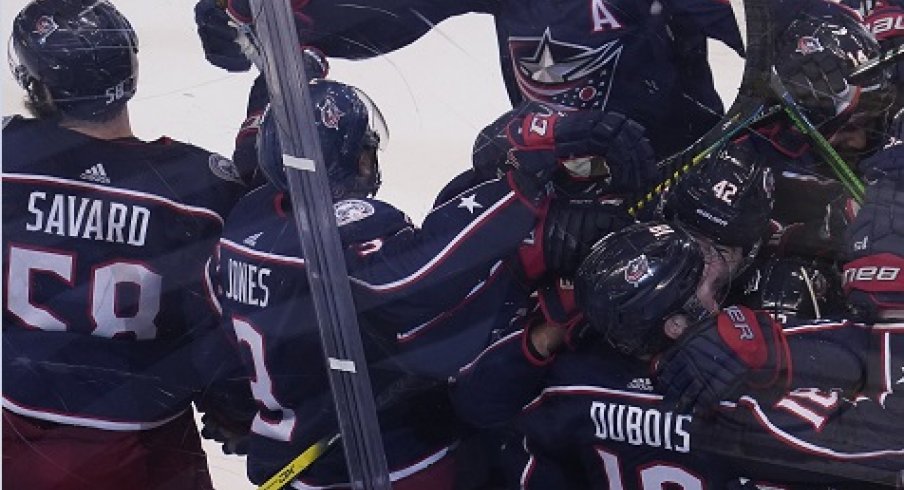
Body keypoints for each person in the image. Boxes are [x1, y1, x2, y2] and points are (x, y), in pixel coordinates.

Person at [213, 77, 660, 487]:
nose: (371, 162)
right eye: (365, 150)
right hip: (384, 461)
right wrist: (519, 191)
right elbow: (414, 280)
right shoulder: (339, 230)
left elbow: (231, 311)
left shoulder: (249, 220)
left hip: (295, 450)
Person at [2, 1, 254, 489]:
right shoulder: (200, 191)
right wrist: (236, 408)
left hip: (20, 442)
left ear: (42, 86)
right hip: (149, 449)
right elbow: (220, 325)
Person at [195, 0, 744, 160]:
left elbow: (783, 32)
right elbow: (375, 11)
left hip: (680, 186)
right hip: (552, 192)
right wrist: (265, 17)